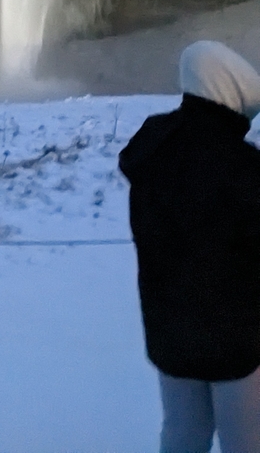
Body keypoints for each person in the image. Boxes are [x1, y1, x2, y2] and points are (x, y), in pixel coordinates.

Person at [120, 39, 260, 453]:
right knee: (247, 442)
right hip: (238, 340)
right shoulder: (243, 169)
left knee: (182, 434)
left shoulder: (153, 150)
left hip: (170, 328)